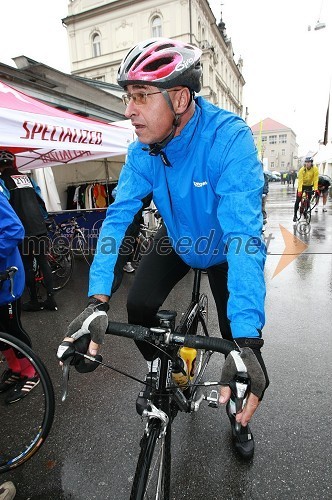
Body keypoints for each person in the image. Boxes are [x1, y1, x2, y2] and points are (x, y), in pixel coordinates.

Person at [59, 38, 268, 460]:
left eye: (139, 97)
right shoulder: (142, 152)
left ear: (179, 97)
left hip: (224, 245)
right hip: (177, 238)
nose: (128, 110)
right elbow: (119, 220)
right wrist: (97, 300)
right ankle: (171, 372)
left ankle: (237, 418)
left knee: (236, 347)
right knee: (138, 307)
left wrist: (248, 339)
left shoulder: (228, 140)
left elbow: (245, 237)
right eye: (127, 97)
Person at [0, 151, 57, 311]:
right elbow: (40, 200)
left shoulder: (2, 181)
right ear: (13, 163)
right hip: (39, 227)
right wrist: (44, 219)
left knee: (27, 266)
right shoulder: (27, 178)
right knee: (43, 262)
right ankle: (51, 300)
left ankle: (34, 300)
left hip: (22, 230)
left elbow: (4, 206)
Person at [0, 186, 40, 404]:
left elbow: (15, 229)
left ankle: (30, 373)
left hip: (7, 279)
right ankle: (15, 369)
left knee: (12, 328)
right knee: (1, 332)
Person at [293, 157, 319, 222]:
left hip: (310, 185)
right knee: (298, 200)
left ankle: (305, 211)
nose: (307, 163)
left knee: (308, 200)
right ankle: (295, 215)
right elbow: (300, 181)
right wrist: (299, 191)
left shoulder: (315, 169)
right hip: (302, 185)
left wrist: (316, 189)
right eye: (306, 162)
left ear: (311, 163)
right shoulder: (302, 170)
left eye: (309, 162)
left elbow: (315, 180)